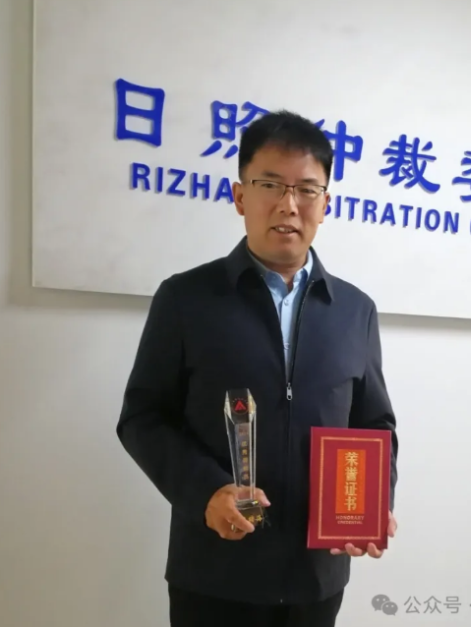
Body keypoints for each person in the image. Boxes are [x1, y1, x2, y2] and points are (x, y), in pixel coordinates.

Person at [116, 110, 399, 627]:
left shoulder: (355, 311)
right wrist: (206, 491)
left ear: (326, 204)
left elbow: (374, 423)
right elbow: (143, 418)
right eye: (270, 184)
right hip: (216, 575)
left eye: (307, 189)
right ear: (240, 196)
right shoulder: (186, 299)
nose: (289, 205)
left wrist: (374, 502)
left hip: (317, 579)